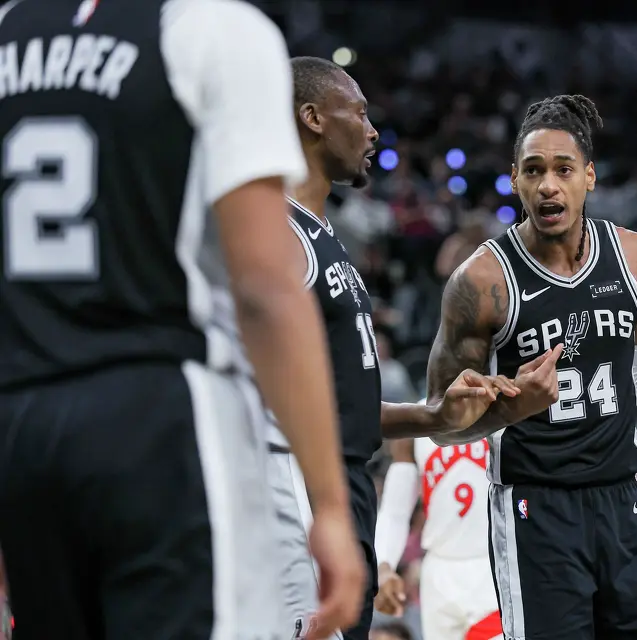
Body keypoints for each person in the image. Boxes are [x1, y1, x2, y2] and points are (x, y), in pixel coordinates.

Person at [0, 2, 365, 639]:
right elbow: (263, 288)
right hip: (160, 417)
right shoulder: (213, 29)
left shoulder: (8, 31)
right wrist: (331, 508)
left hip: (22, 419)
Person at [425, 94, 637, 639]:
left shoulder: (632, 255)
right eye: (533, 170)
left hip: (623, 499)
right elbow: (439, 422)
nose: (548, 184)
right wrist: (513, 408)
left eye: (563, 169)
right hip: (534, 507)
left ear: (588, 177)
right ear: (516, 182)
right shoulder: (481, 283)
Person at [269, 57, 517, 640]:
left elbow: (340, 407)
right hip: (296, 492)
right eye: (357, 112)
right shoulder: (274, 231)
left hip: (340, 482)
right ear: (312, 118)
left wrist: (433, 415)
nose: (373, 130)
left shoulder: (319, 233)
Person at [374, 408, 503, 640]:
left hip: (493, 563)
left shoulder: (504, 407)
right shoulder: (414, 418)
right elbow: (395, 511)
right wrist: (384, 565)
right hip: (439, 572)